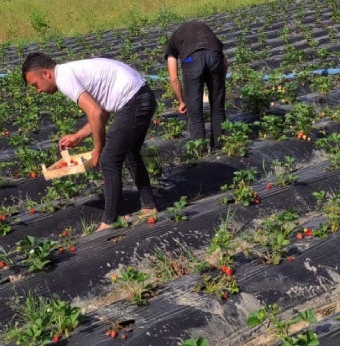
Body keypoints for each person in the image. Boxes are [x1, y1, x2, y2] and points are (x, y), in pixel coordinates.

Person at [22, 53, 157, 231]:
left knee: (108, 160)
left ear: (46, 74)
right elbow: (103, 110)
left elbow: (95, 113)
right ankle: (148, 206)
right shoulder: (71, 70)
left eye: (36, 85)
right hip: (142, 96)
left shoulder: (64, 78)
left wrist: (98, 149)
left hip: (134, 100)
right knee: (130, 152)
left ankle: (109, 222)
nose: (38, 90)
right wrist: (78, 136)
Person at [164, 20, 228, 150]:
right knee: (218, 108)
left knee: (195, 112)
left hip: (191, 59)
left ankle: (201, 153)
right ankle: (219, 147)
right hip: (215, 57)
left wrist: (182, 102)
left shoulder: (173, 41)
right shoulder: (206, 32)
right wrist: (219, 83)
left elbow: (174, 78)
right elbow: (224, 62)